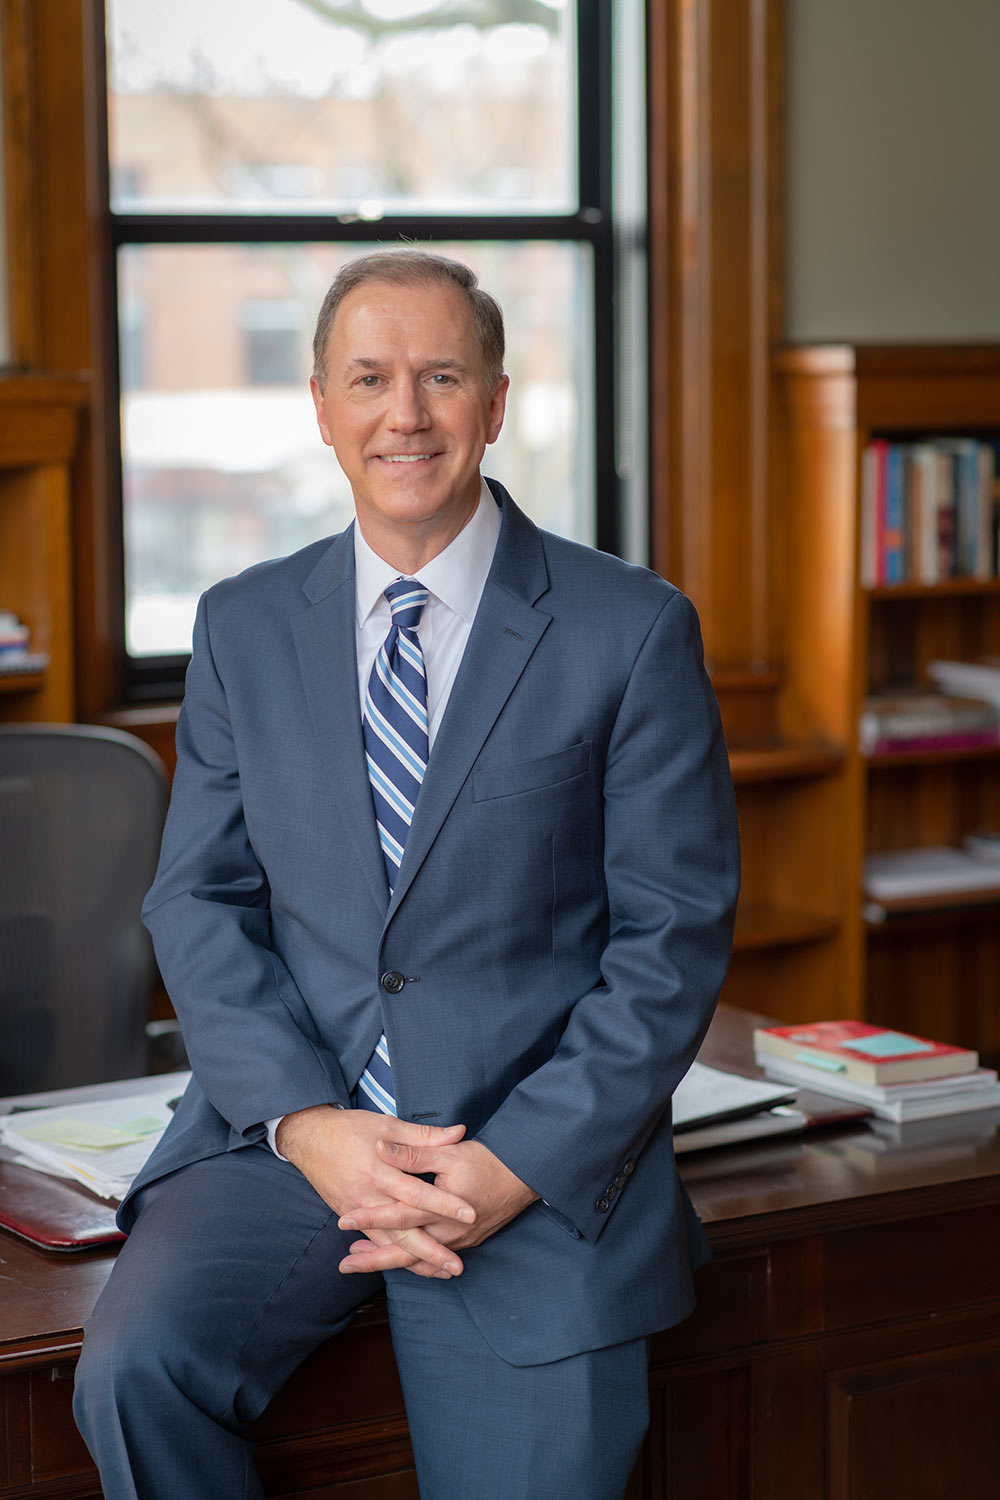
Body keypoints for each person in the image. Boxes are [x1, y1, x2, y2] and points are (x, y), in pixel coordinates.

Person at [73, 248, 740, 1500]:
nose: (406, 413)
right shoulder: (241, 624)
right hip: (293, 1140)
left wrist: (510, 1166)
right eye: (369, 378)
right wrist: (309, 1126)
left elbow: (672, 938)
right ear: (320, 407)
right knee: (134, 1370)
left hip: (531, 1160)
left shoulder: (630, 629)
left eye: (441, 376)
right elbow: (199, 900)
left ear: (494, 401)